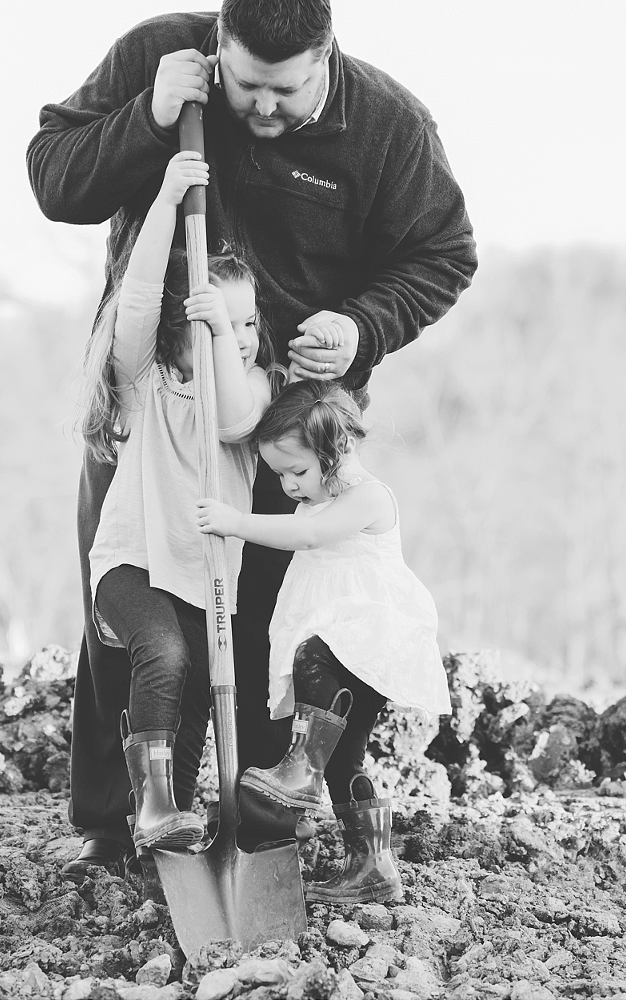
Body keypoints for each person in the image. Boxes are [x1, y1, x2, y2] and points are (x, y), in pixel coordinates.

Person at [27, 0, 476, 881]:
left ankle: (258, 831)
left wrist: (364, 325)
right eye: (244, 86)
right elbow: (54, 179)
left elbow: (445, 253)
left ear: (326, 59)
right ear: (218, 48)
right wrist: (147, 119)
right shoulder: (160, 57)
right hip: (155, 407)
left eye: (285, 90)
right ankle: (118, 830)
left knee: (283, 627)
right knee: (138, 617)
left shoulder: (389, 127)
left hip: (288, 434)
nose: (261, 109)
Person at [80, 148, 273, 854]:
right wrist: (165, 200)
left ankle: (172, 830)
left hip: (205, 583)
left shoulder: (252, 392)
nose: (246, 338)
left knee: (194, 703)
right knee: (161, 650)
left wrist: (224, 330)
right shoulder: (146, 382)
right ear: (181, 323)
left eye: (253, 323)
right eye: (229, 323)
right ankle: (153, 807)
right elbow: (135, 295)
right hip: (131, 565)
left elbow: (230, 419)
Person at [196, 380, 450, 906]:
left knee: (315, 652)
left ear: (338, 451)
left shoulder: (367, 497)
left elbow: (309, 538)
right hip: (350, 639)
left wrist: (235, 524)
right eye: (281, 474)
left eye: (298, 471)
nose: (288, 486)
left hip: (373, 635)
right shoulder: (319, 497)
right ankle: (373, 867)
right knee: (346, 762)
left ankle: (301, 772)